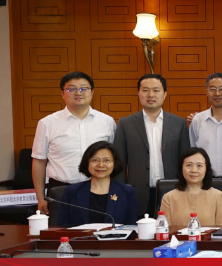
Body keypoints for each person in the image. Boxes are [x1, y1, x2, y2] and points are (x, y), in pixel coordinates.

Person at [32, 71, 117, 214]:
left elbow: (114, 158)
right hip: (61, 190)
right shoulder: (47, 123)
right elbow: (39, 161)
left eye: (84, 88)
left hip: (100, 189)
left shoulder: (107, 121)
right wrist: (40, 198)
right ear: (62, 93)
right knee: (61, 228)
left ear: (92, 92)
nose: (78, 93)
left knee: (99, 227)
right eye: (71, 89)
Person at [114, 74, 190, 216]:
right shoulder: (125, 124)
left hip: (172, 192)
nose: (150, 95)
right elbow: (120, 163)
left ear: (165, 94)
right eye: (145, 90)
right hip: (137, 193)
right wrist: (120, 192)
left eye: (156, 90)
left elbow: (185, 161)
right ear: (138, 93)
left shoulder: (179, 123)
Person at [54, 141, 137, 227]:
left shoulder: (127, 192)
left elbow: (131, 227)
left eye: (106, 160)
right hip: (79, 236)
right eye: (95, 160)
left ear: (114, 164)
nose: (101, 165)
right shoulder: (72, 191)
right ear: (87, 163)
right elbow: (62, 226)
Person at [159, 148, 222, 230]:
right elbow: (165, 232)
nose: (194, 170)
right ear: (181, 168)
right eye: (189, 165)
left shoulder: (219, 197)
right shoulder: (168, 198)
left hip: (209, 239)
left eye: (199, 166)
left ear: (206, 169)